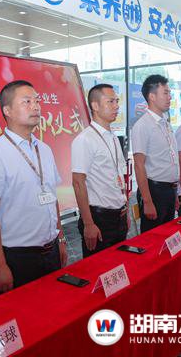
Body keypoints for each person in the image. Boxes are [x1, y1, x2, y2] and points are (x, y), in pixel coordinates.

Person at [0, 80, 67, 295]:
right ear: (7, 110)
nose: (35, 106)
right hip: (19, 258)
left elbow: (52, 198)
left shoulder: (44, 149)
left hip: (51, 250)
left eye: (37, 101)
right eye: (27, 102)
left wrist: (61, 239)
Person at [72, 84, 128, 258]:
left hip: (119, 214)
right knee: (99, 269)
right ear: (95, 106)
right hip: (99, 218)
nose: (116, 106)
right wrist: (88, 223)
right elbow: (78, 183)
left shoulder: (113, 137)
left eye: (117, 101)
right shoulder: (85, 140)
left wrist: (124, 208)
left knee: (118, 266)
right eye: (110, 101)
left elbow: (118, 176)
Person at [130, 75, 179, 233]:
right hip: (154, 191)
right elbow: (139, 165)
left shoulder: (165, 123)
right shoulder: (142, 126)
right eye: (165, 93)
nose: (169, 97)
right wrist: (147, 201)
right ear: (152, 96)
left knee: (167, 236)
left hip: (169, 190)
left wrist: (174, 193)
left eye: (169, 93)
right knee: (153, 239)